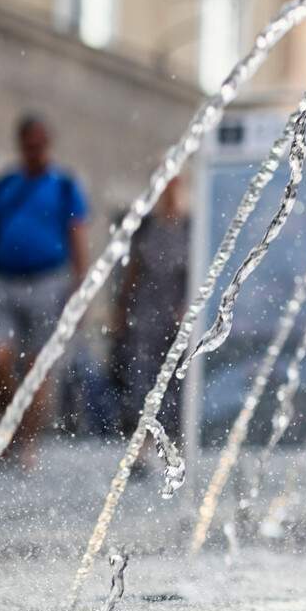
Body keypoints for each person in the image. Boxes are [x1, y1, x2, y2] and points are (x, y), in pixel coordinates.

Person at [0, 114, 89, 467]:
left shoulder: (64, 186)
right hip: (4, 282)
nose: (35, 151)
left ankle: (26, 441)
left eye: (40, 145)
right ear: (20, 145)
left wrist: (82, 289)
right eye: (29, 145)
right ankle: (11, 425)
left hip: (48, 281)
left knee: (37, 367)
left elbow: (78, 239)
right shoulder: (4, 187)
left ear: (49, 144)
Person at [112, 173, 190, 440]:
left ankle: (173, 441)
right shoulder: (147, 227)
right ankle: (143, 441)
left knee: (176, 380)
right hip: (146, 313)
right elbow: (132, 272)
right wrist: (121, 310)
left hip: (177, 314)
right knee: (142, 377)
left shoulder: (190, 227)